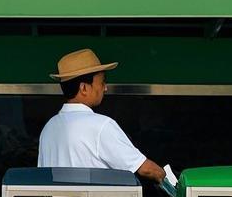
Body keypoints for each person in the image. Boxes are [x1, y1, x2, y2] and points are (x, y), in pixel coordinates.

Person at [38, 48, 166, 183]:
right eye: (102, 82)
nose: (105, 88)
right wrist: (167, 178)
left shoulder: (48, 128)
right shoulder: (101, 126)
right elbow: (145, 169)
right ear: (84, 88)